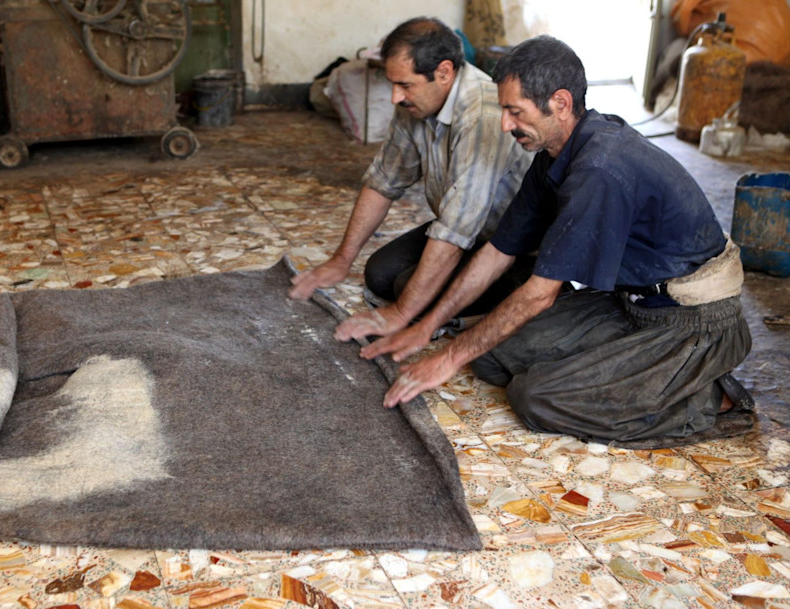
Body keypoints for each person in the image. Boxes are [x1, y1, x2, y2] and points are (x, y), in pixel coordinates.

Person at [368, 34, 753, 444]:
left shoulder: (600, 168)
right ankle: (623, 370)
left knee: (535, 397)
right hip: (632, 304)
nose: (505, 124)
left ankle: (709, 394)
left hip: (692, 324)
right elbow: (499, 251)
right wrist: (428, 326)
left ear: (561, 104)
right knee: (492, 358)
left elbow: (539, 294)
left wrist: (447, 358)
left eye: (515, 112)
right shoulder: (554, 154)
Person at [288, 17, 532, 344]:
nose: (395, 97)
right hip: (467, 229)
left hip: (510, 247)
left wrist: (401, 314)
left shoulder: (482, 116)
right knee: (379, 274)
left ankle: (523, 298)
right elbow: (383, 181)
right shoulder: (417, 102)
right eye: (393, 84)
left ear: (444, 72)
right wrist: (341, 260)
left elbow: (456, 230)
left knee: (409, 293)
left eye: (404, 85)